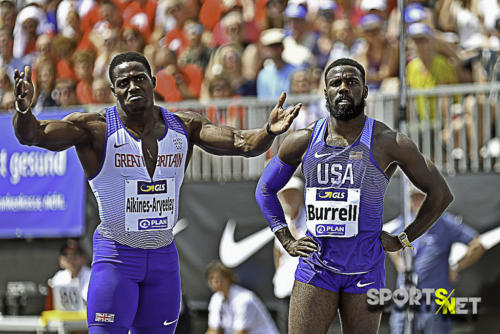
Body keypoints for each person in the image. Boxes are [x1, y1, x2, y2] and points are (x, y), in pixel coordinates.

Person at [12, 51, 301, 334]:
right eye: (123, 83)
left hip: (162, 258)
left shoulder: (185, 126)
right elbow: (33, 135)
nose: (133, 86)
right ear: (113, 90)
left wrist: (269, 131)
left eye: (139, 78)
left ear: (152, 81)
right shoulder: (95, 129)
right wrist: (24, 111)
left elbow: (244, 143)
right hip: (117, 257)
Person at [255, 57, 454, 334]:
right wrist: (285, 238)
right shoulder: (302, 139)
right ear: (325, 93)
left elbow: (441, 194)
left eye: (352, 82)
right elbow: (265, 189)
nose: (344, 88)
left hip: (365, 270)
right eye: (336, 83)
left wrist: (404, 238)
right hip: (317, 268)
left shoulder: (389, 142)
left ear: (365, 91)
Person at [388, 186, 486, 334]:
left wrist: (456, 267)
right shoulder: (405, 221)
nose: (418, 203)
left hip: (438, 297)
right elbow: (392, 243)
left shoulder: (445, 222)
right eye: (415, 198)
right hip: (407, 295)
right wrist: (399, 264)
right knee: (399, 328)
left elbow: (477, 244)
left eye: (423, 198)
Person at [272, 176, 307, 334]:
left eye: (292, 193)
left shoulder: (311, 220)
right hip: (284, 289)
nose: (288, 198)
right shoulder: (281, 222)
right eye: (285, 194)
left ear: (301, 195)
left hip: (306, 291)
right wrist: (280, 273)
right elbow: (277, 252)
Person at [205, 260, 279, 334]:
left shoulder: (244, 299)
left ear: (229, 278)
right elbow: (213, 330)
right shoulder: (215, 299)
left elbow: (241, 333)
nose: (216, 281)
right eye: (212, 278)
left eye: (220, 278)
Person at [47, 239, 91, 312]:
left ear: (84, 258)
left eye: (75, 254)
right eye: (65, 254)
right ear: (61, 260)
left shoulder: (93, 276)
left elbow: (91, 305)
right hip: (63, 320)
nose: (70, 258)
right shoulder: (59, 277)